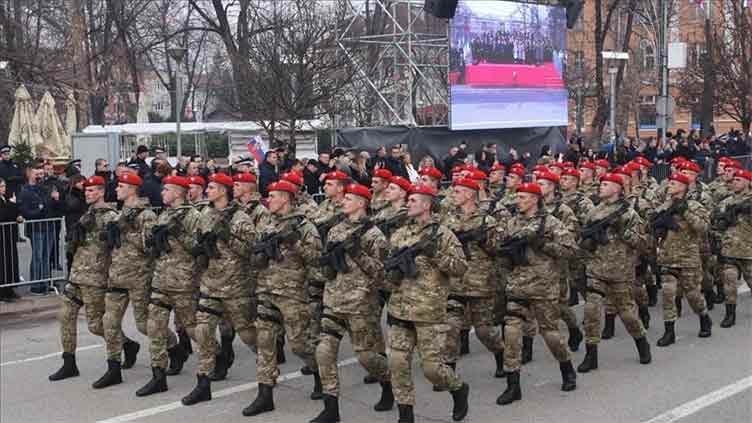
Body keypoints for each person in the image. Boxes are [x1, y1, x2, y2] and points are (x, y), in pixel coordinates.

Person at [384, 183, 470, 423]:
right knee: (397, 363)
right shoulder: (401, 233)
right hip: (399, 307)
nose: (408, 203)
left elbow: (461, 267)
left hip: (428, 310)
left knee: (432, 369)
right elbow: (389, 269)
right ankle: (405, 414)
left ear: (427, 204)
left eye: (413, 200)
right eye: (408, 200)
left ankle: (458, 388)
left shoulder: (443, 234)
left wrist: (435, 255)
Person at [311, 183, 393, 423]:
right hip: (334, 301)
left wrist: (357, 253)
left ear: (361, 203)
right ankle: (331, 408)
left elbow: (382, 275)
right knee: (323, 352)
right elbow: (327, 272)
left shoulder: (374, 235)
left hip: (361, 304)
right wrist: (326, 263)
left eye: (349, 198)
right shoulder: (335, 230)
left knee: (367, 357)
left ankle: (389, 383)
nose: (343, 201)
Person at [492, 182, 578, 406]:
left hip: (543, 286)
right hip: (517, 286)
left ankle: (567, 368)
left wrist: (543, 245)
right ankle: (513, 385)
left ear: (534, 200)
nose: (517, 201)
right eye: (517, 197)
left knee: (550, 334)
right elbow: (501, 253)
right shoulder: (512, 223)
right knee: (511, 333)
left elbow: (570, 250)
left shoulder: (551, 223)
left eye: (522, 197)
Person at [243, 180, 322, 417]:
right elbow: (254, 260)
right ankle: (265, 394)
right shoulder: (266, 224)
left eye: (273, 196)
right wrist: (260, 252)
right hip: (267, 291)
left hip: (293, 294)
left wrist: (294, 243)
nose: (269, 200)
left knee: (299, 344)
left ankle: (319, 372)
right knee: (265, 344)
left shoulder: (304, 226)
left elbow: (317, 260)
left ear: (286, 198)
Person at [181, 173, 259, 405]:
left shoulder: (241, 218)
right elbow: (197, 242)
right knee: (203, 332)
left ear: (223, 191)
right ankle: (203, 383)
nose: (207, 191)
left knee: (248, 334)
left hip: (236, 285)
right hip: (210, 283)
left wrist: (228, 238)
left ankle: (268, 370)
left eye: (212, 187)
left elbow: (252, 251)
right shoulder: (205, 214)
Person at [577, 173, 652, 374]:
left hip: (621, 271)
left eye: (606, 184)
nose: (601, 186)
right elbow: (584, 240)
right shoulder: (594, 212)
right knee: (591, 311)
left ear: (618, 189)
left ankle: (642, 342)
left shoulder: (629, 214)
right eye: (601, 183)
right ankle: (590, 354)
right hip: (596, 270)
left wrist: (622, 231)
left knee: (627, 313)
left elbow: (643, 244)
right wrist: (588, 242)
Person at [49, 176, 119, 382]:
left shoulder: (111, 217)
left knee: (96, 325)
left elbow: (116, 248)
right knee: (65, 315)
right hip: (78, 274)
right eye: (86, 190)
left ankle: (125, 345)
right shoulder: (87, 213)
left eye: (91, 191)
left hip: (96, 277)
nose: (87, 193)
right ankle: (69, 363)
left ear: (101, 192)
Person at [135, 176, 201, 397]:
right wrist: (151, 239)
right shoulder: (163, 214)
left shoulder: (193, 216)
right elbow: (152, 248)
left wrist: (178, 233)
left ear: (178, 193)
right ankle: (158, 376)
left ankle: (217, 354)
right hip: (161, 279)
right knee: (155, 327)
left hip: (183, 281)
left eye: (167, 190)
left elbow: (199, 248)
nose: (162, 193)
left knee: (192, 328)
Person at [92, 172, 156, 389]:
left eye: (121, 186)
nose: (116, 189)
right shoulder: (120, 214)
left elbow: (150, 246)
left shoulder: (146, 215)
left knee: (143, 324)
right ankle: (113, 368)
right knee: (109, 322)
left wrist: (126, 232)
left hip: (138, 276)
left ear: (132, 189)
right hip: (117, 274)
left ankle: (174, 347)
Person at [442, 177, 506, 378]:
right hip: (454, 282)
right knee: (451, 328)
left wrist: (484, 241)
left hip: (480, 282)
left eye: (458, 191)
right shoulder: (448, 219)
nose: (454, 195)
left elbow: (500, 250)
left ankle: (501, 355)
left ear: (470, 194)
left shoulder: (487, 221)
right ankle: (449, 371)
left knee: (484, 331)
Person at [649, 172, 713, 347]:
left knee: (693, 295)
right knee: (668, 294)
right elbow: (652, 226)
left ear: (684, 187)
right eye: (670, 183)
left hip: (688, 257)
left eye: (674, 183)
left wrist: (685, 211)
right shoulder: (664, 206)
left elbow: (702, 227)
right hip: (667, 256)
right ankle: (669, 331)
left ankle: (704, 317)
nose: (670, 185)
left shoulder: (693, 206)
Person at [710, 169, 752, 328]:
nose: (735, 183)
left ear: (748, 182)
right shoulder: (726, 202)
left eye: (739, 180)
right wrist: (722, 222)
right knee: (729, 283)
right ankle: (730, 314)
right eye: (734, 180)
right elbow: (714, 222)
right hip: (729, 249)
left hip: (748, 250)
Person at [18, 161, 58, 294]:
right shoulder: (24, 191)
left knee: (46, 257)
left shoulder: (44, 188)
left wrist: (54, 200)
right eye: (37, 173)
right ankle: (35, 285)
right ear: (29, 173)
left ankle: (45, 283)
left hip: (49, 226)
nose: (40, 176)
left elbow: (50, 206)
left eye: (41, 173)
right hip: (36, 228)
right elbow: (25, 212)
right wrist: (38, 210)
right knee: (38, 257)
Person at [59, 175, 87, 276]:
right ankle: (71, 275)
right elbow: (72, 206)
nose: (83, 184)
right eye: (81, 182)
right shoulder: (70, 194)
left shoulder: (83, 193)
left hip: (81, 225)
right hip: (73, 226)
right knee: (72, 252)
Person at [0, 178, 22, 301]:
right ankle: (2, 291)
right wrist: (12, 205)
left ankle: (9, 288)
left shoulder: (6, 197)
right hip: (2, 236)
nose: (4, 189)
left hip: (9, 234)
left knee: (10, 262)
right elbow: (3, 215)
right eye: (1, 186)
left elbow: (14, 211)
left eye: (4, 186)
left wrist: (18, 215)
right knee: (3, 263)